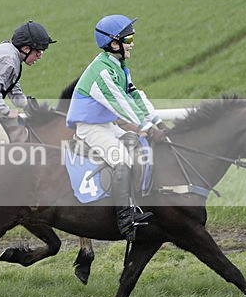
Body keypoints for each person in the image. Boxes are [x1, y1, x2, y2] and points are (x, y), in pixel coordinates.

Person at [66, 14, 169, 242]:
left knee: (139, 145)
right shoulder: (102, 71)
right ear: (114, 43)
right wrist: (149, 128)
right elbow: (121, 104)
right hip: (89, 128)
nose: (132, 43)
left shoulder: (118, 66)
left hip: (105, 125)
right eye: (129, 38)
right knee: (121, 158)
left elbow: (135, 96)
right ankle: (125, 219)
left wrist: (158, 122)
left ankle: (140, 203)